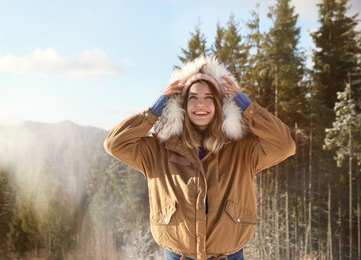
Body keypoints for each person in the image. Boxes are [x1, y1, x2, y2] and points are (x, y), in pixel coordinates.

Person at [104, 55, 296, 260]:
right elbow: (115, 143)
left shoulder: (242, 148)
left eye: (209, 98)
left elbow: (284, 145)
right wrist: (156, 109)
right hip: (178, 255)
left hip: (228, 255)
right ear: (182, 106)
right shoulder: (158, 148)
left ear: (220, 105)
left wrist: (246, 106)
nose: (200, 105)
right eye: (193, 98)